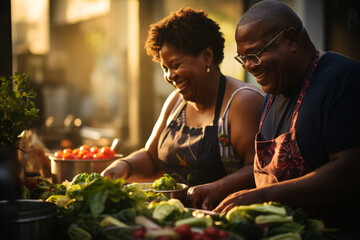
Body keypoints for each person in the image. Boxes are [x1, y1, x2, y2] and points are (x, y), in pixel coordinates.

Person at [213, 0, 360, 233]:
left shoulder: (343, 79)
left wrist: (263, 197)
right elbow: (271, 177)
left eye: (255, 54)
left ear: (291, 40)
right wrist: (217, 190)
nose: (249, 66)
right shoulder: (271, 94)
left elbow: (350, 171)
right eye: (243, 58)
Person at [101, 7, 264, 210]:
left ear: (206, 56)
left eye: (175, 65)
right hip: (178, 220)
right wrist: (124, 165)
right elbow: (152, 158)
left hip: (226, 221)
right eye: (165, 68)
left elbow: (259, 169)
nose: (170, 76)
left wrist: (217, 188)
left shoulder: (242, 101)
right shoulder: (176, 102)